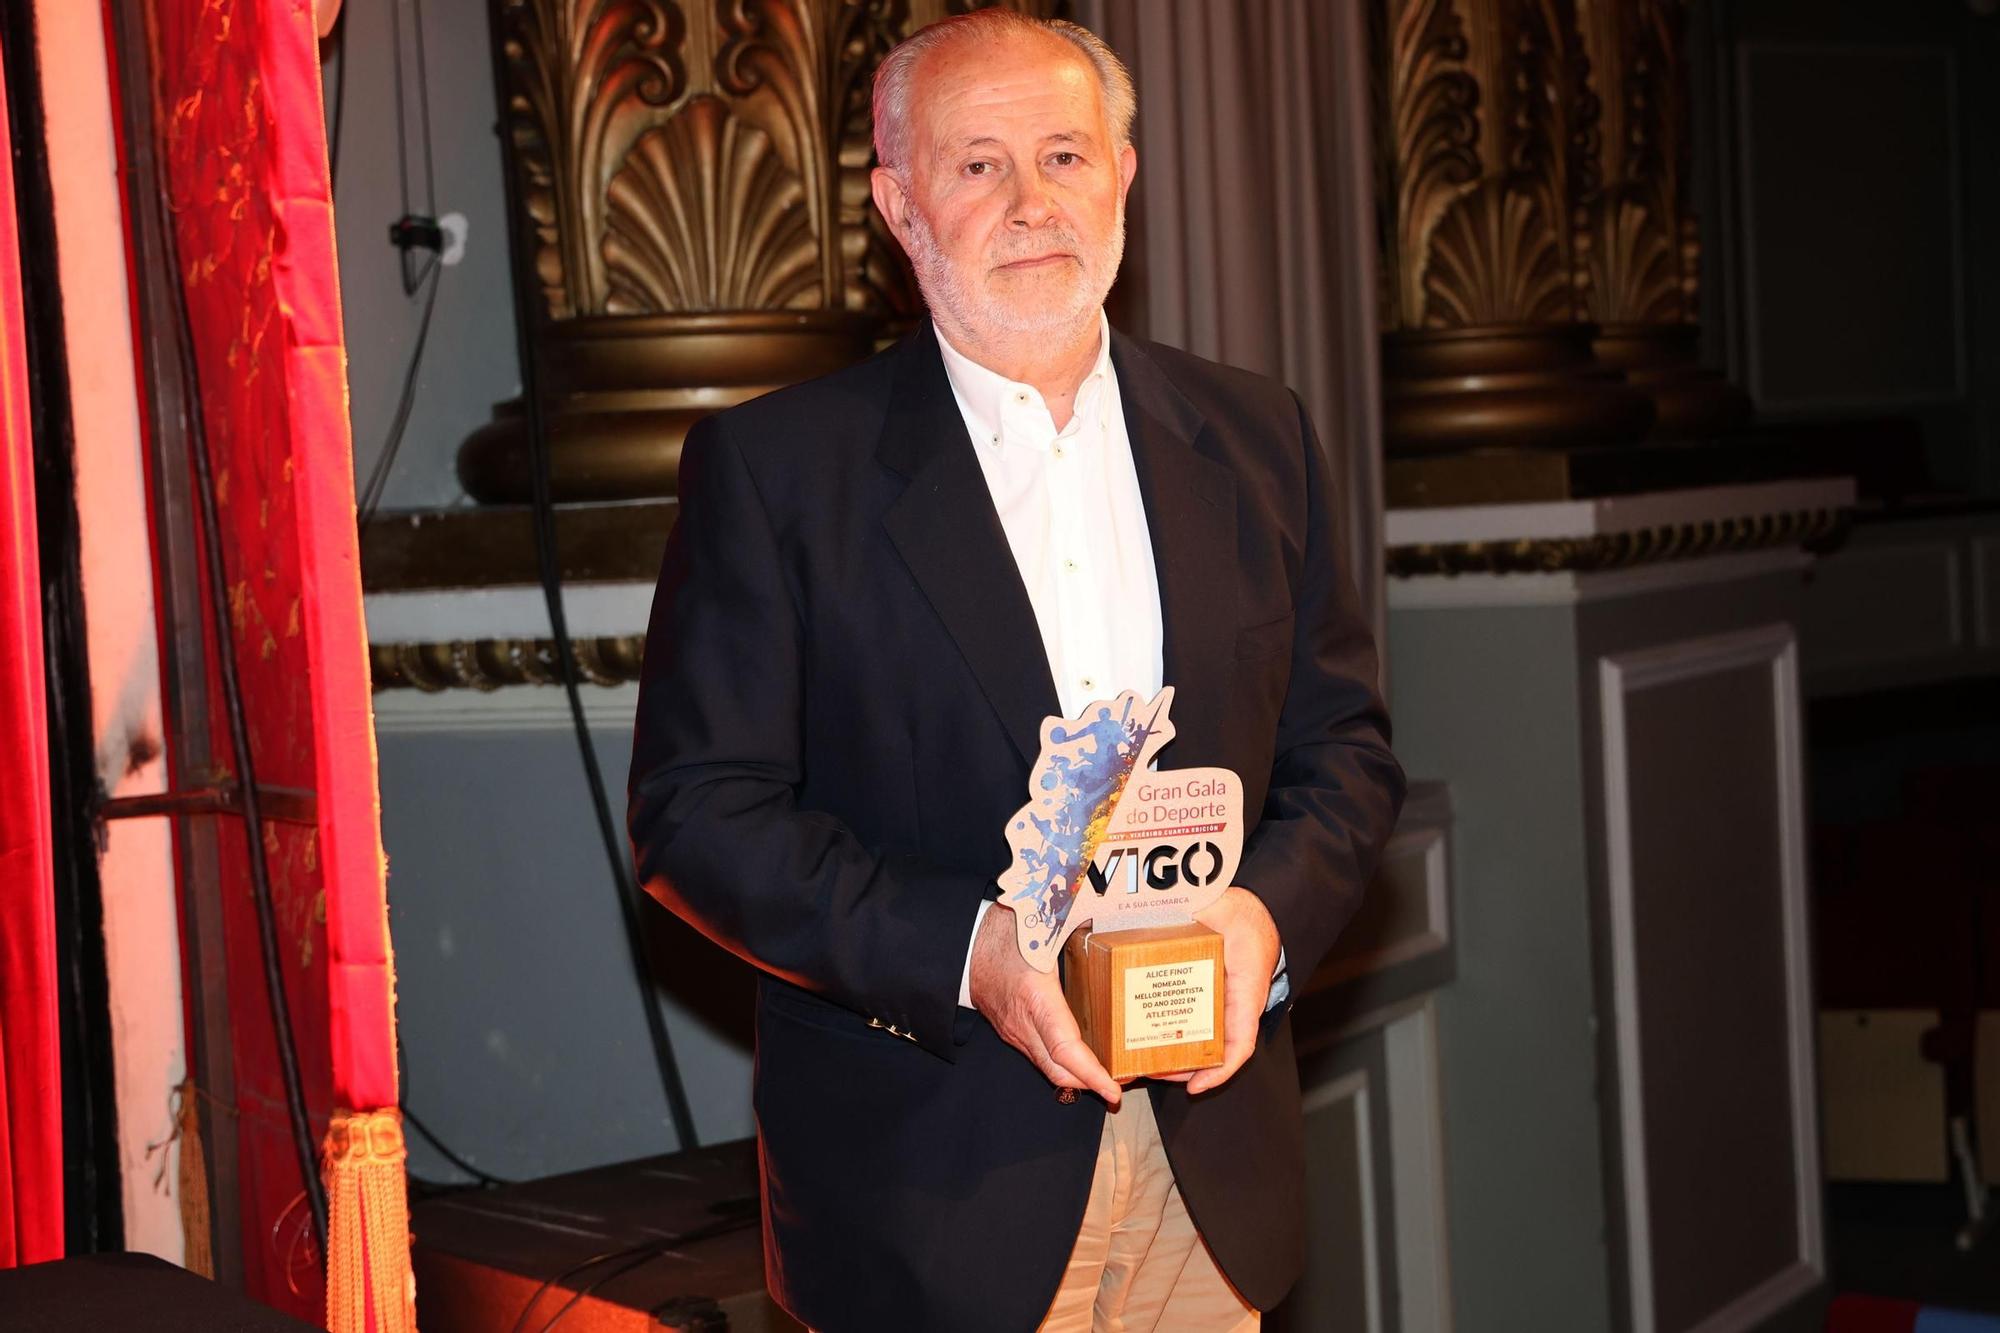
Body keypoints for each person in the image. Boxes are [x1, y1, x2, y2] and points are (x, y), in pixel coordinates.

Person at [627, 11, 1405, 1331]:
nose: (1032, 201)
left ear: (1124, 174)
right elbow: (698, 817)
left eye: (1062, 155)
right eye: (978, 164)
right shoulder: (779, 473)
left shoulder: (1258, 436)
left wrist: (1262, 921)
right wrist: (971, 949)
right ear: (899, 203)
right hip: (928, 1195)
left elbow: (1347, 752)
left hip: (1207, 1182)